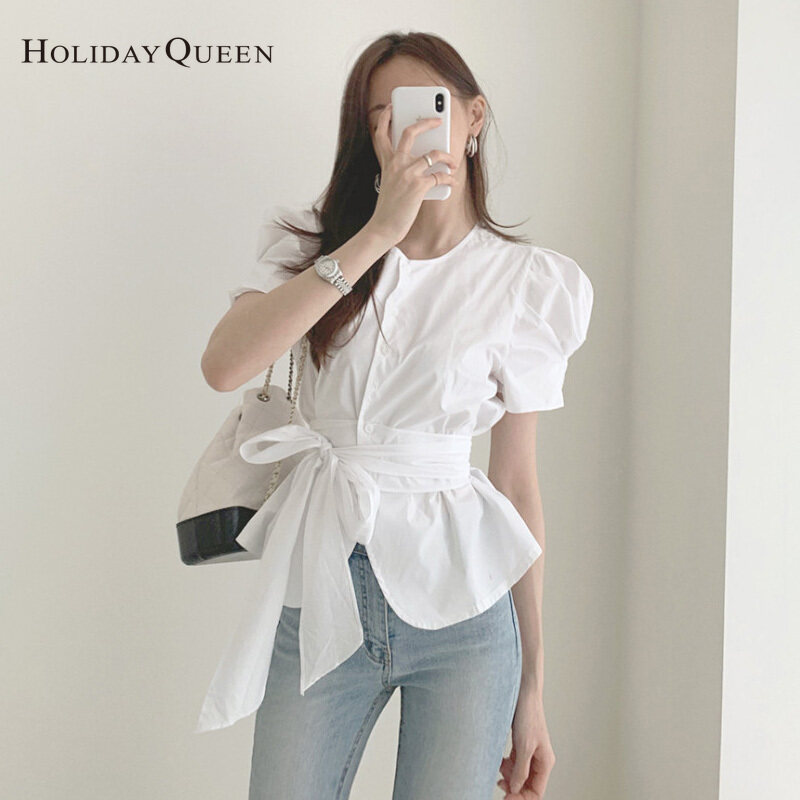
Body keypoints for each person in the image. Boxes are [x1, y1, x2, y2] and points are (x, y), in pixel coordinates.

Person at [197, 31, 593, 800]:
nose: (402, 130)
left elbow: (516, 484)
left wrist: (534, 690)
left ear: (473, 117)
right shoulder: (315, 251)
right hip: (323, 596)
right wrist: (378, 231)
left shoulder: (527, 283)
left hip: (466, 618)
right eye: (381, 116)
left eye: (423, 108)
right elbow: (224, 366)